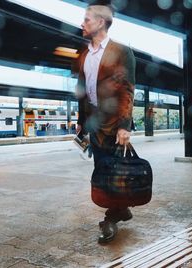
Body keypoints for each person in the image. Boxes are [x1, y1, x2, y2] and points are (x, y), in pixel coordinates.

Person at [75, 4, 136, 244]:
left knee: (110, 175)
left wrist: (124, 125)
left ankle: (111, 218)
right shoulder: (84, 54)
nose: (83, 23)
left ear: (100, 23)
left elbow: (127, 91)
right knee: (103, 173)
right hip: (93, 126)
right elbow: (83, 90)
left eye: (87, 20)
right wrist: (81, 122)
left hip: (113, 125)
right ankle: (121, 210)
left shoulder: (121, 52)